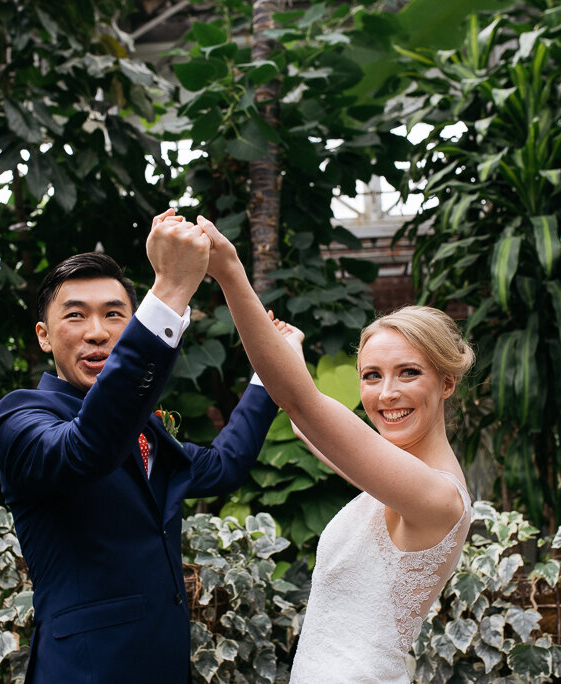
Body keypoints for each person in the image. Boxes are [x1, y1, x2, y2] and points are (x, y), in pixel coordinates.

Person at [0, 210, 279, 684]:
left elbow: (222, 467)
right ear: (43, 336)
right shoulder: (19, 417)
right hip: (86, 672)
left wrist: (269, 376)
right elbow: (85, 449)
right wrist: (169, 292)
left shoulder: (145, 431)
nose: (97, 331)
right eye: (75, 315)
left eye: (115, 314)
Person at [196, 215, 475, 683]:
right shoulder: (395, 479)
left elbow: (301, 404)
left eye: (408, 373)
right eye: (371, 375)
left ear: (446, 382)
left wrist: (229, 272)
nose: (386, 394)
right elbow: (313, 428)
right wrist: (292, 352)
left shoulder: (437, 497)